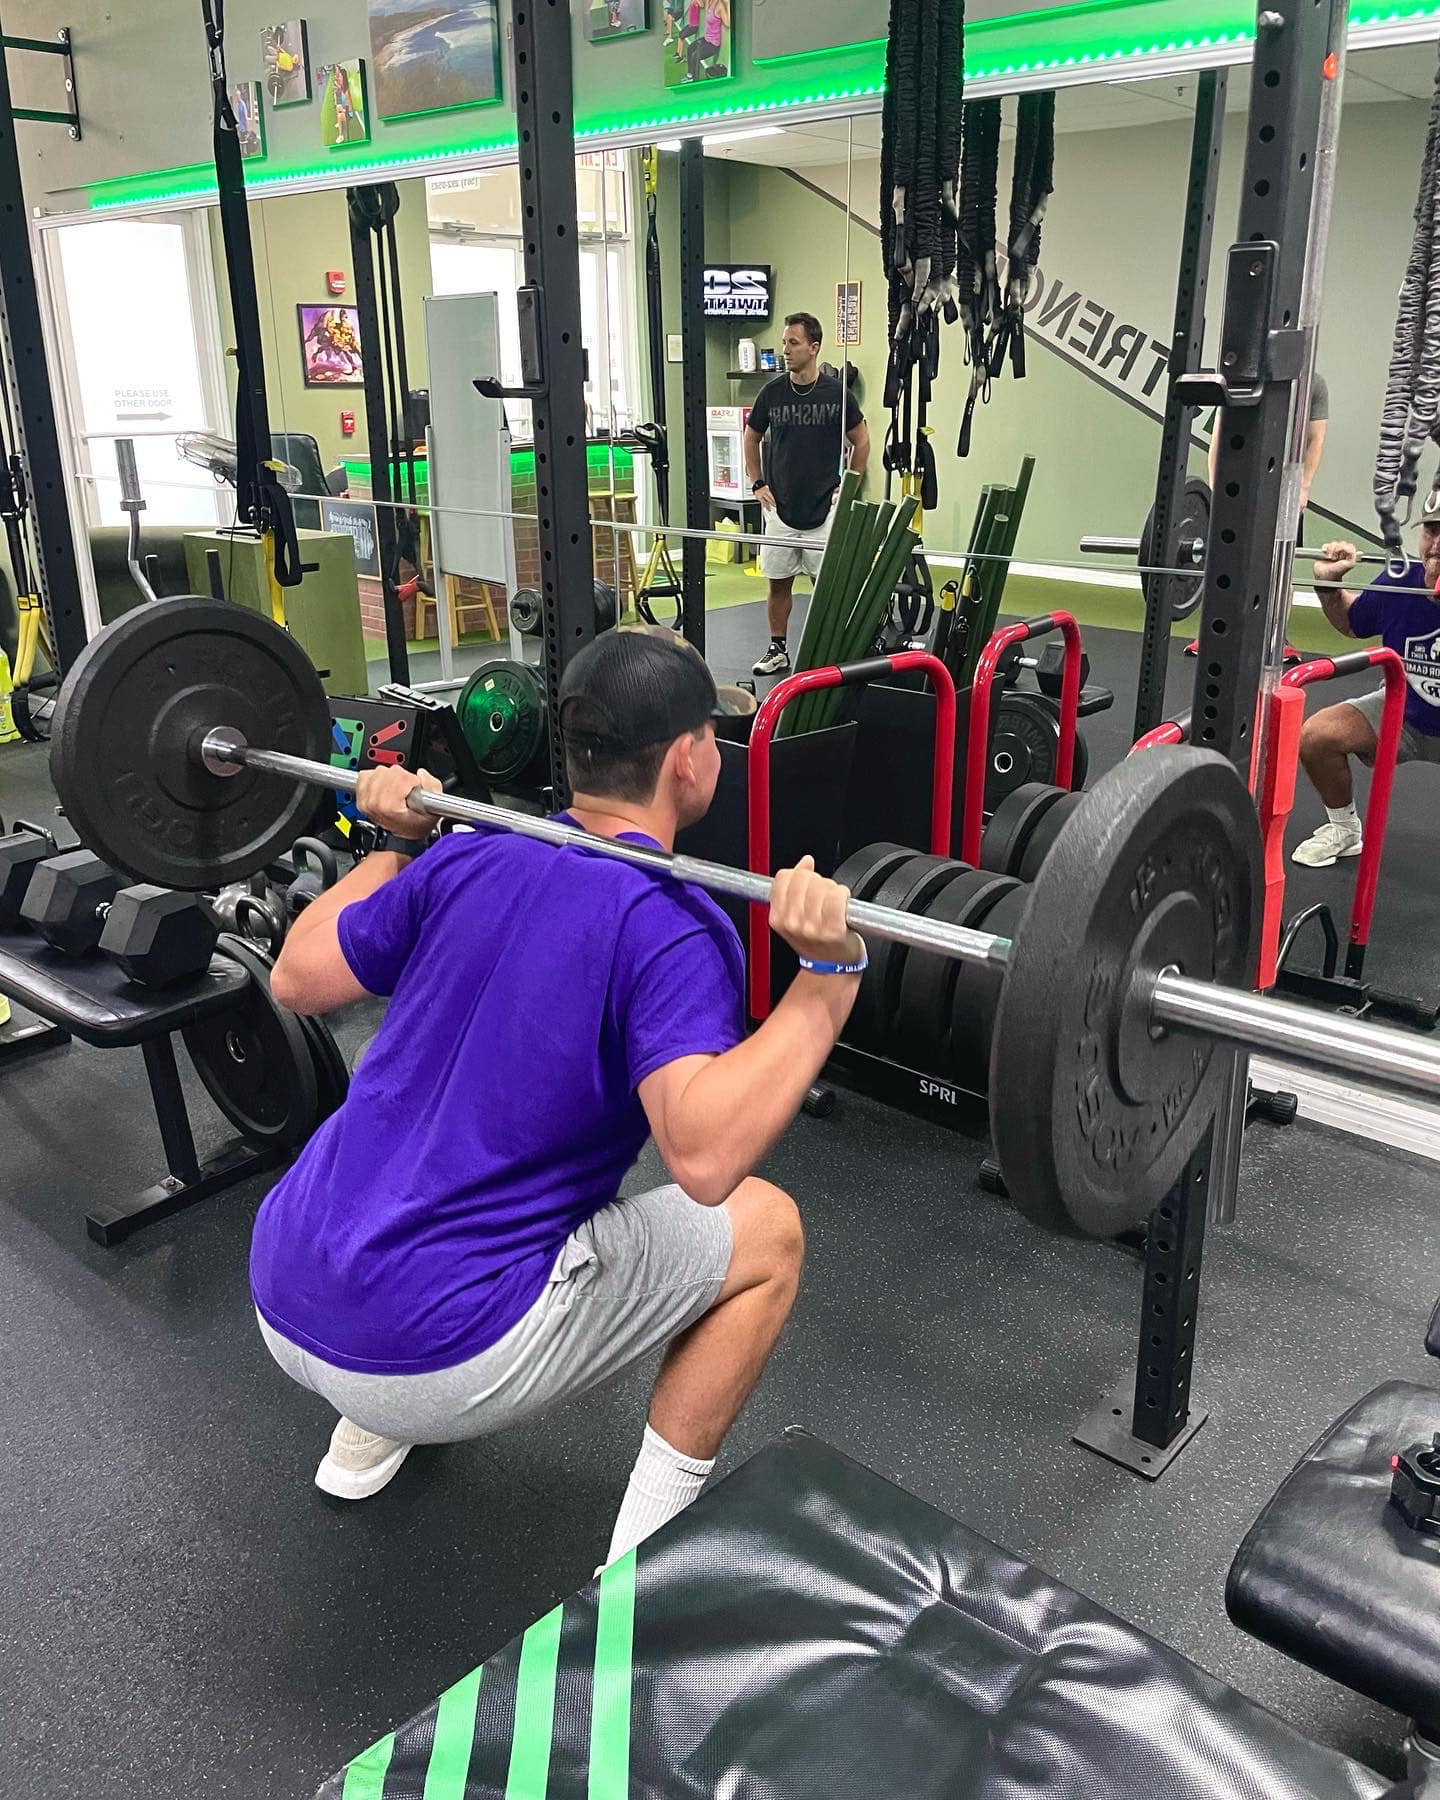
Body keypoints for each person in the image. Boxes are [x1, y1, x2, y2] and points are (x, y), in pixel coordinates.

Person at [250, 629, 866, 1568]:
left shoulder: (465, 858)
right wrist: (826, 979)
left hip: (282, 1284)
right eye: (712, 735)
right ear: (690, 758)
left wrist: (390, 844)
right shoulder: (668, 921)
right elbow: (704, 1160)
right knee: (767, 1233)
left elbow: (295, 975)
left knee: (439, 1137)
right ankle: (642, 1568)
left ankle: (365, 1434)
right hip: (429, 1351)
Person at [1292, 485, 1440, 867]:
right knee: (1318, 736)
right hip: (1403, 714)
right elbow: (1352, 623)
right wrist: (1328, 586)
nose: (1437, 545)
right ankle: (1344, 829)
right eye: (1432, 530)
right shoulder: (1400, 582)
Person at [745, 312, 870, 677]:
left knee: (825, 587)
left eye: (793, 343)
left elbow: (861, 440)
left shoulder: (837, 394)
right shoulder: (773, 393)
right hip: (780, 507)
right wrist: (758, 483)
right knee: (778, 584)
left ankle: (825, 652)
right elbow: (751, 437)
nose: (785, 350)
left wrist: (849, 486)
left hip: (824, 508)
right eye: (784, 342)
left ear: (814, 348)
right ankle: (778, 649)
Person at [686, 0, 729, 79]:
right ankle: (690, 74)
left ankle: (694, 81)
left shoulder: (719, 5)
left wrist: (728, 4)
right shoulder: (709, 2)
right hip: (706, 39)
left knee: (695, 56)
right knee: (690, 48)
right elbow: (701, 4)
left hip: (713, 44)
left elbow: (728, 23)